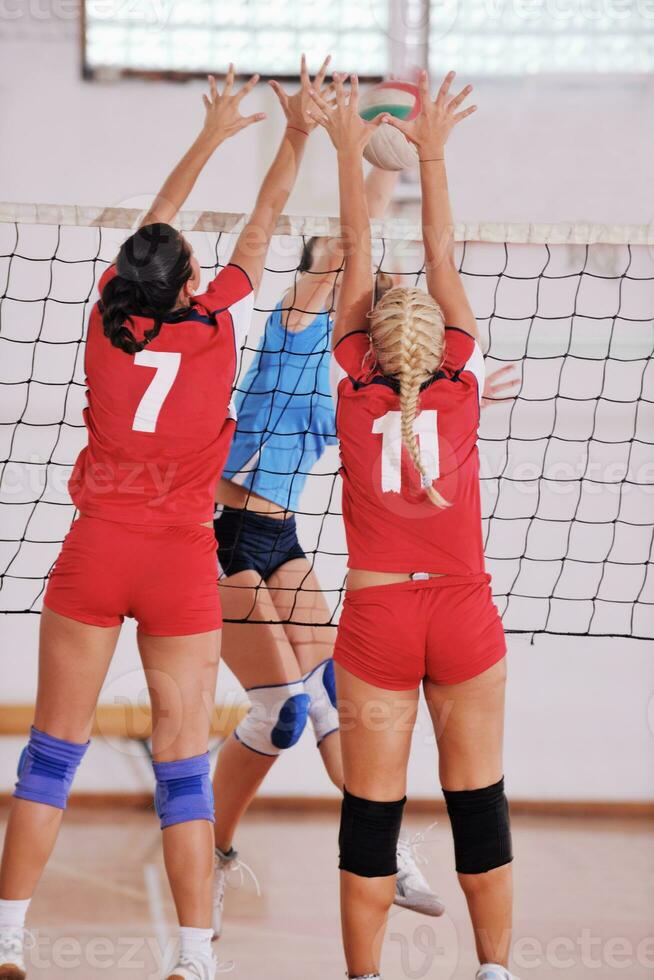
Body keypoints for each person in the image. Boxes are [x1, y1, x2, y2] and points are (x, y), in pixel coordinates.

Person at [0, 58, 325, 980]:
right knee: (182, 767)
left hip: (95, 555)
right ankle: (193, 959)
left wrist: (208, 135)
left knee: (50, 755)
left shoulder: (111, 324)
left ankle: (7, 941)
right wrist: (290, 132)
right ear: (192, 283)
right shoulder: (216, 323)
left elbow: (153, 226)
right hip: (181, 561)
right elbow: (259, 228)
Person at [308, 71, 517, 980]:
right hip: (465, 616)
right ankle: (495, 972)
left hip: (379, 622)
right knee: (480, 804)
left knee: (371, 818)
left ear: (372, 348)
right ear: (441, 347)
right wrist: (432, 153)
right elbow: (439, 251)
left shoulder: (355, 386)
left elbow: (364, 249)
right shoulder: (464, 381)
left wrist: (347, 152)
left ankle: (365, 979)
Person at [210, 154, 449, 935]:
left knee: (330, 697)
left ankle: (382, 851)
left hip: (279, 533)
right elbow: (350, 240)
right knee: (284, 713)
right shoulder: (299, 321)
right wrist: (371, 157)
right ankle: (207, 851)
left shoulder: (359, 375)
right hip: (218, 533)